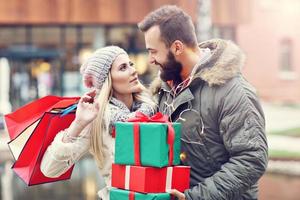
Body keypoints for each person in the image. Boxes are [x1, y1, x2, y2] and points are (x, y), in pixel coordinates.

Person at [138, 5, 268, 200]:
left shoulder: (234, 91)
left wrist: (195, 197)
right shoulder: (166, 87)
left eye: (154, 51)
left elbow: (251, 159)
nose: (150, 60)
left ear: (177, 47)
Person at [40, 46, 156, 200]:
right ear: (108, 80)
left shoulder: (153, 107)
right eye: (123, 68)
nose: (133, 71)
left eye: (130, 64)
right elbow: (49, 169)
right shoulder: (98, 119)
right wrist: (78, 124)